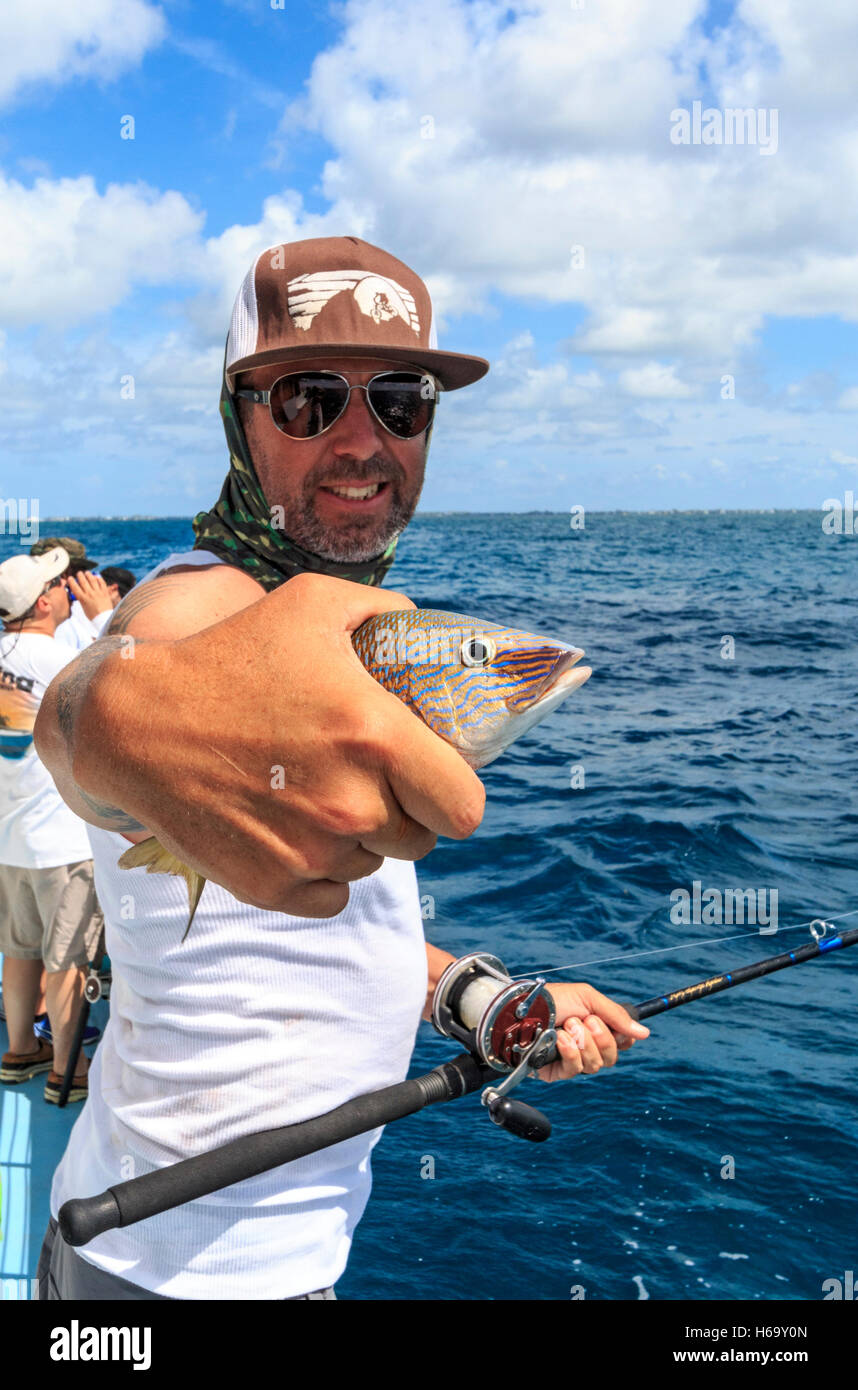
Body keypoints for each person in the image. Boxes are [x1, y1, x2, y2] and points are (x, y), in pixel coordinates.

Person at [34, 236, 649, 1300]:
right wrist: (101, 719)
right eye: (310, 399)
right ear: (240, 416)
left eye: (401, 400)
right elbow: (103, 703)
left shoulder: (355, 640)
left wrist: (479, 999)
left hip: (301, 1266)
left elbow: (314, 951)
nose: (363, 440)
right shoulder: (195, 604)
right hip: (149, 1277)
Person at [0, 547, 104, 1103]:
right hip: (61, 843)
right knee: (68, 961)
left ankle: (21, 1049)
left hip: (9, 843)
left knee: (20, 952)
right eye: (57, 584)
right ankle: (68, 1068)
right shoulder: (63, 658)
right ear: (43, 601)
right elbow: (122, 692)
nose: (67, 587)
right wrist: (101, 617)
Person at [29, 538, 115, 649]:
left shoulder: (24, 614)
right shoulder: (64, 622)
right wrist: (103, 617)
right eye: (79, 571)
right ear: (66, 573)